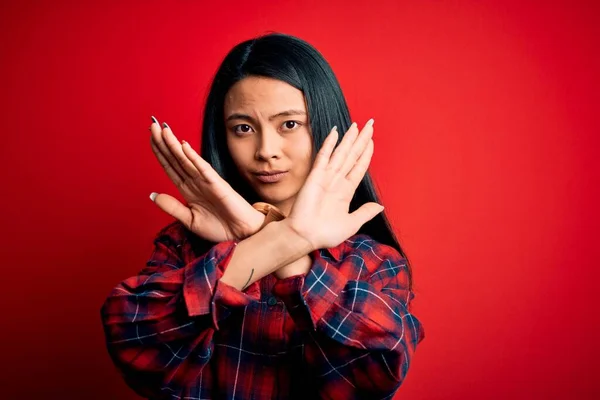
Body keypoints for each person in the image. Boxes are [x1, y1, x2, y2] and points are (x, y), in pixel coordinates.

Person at [100, 32, 425, 400]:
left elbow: (374, 377)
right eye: (243, 128)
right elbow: (135, 344)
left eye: (289, 124)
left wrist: (283, 249)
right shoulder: (183, 244)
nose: (266, 151)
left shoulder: (373, 262)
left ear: (324, 125)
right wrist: (281, 240)